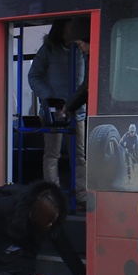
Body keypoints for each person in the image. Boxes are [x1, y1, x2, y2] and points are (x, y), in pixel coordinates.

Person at [27, 19, 86, 203]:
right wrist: (50, 97)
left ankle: (82, 195)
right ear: (60, 30)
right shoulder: (48, 50)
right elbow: (33, 76)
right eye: (68, 28)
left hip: (78, 109)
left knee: (80, 155)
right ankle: (53, 196)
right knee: (52, 154)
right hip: (54, 110)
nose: (71, 31)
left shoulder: (82, 49)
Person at [60, 16, 91, 207]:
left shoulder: (94, 56)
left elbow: (86, 87)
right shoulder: (89, 55)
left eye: (80, 44)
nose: (79, 48)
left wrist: (67, 106)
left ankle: (82, 196)